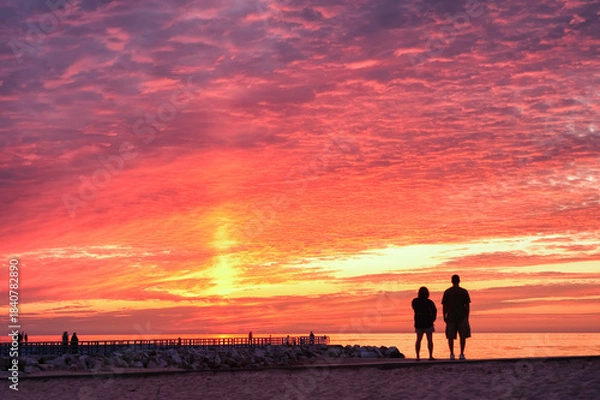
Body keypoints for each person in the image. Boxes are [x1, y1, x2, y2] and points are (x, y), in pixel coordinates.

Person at [442, 274, 471, 360]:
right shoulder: (464, 291)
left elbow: (444, 306)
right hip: (462, 316)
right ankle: (461, 353)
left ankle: (451, 354)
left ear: (452, 281)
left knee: (450, 337)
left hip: (451, 317)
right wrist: (467, 316)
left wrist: (444, 315)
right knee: (462, 336)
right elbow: (467, 305)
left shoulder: (447, 292)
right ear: (459, 281)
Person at [412, 286, 437, 360]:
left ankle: (417, 356)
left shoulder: (415, 301)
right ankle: (430, 355)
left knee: (418, 340)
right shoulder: (429, 302)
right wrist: (432, 319)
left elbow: (414, 308)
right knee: (429, 340)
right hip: (428, 322)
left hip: (419, 322)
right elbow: (434, 311)